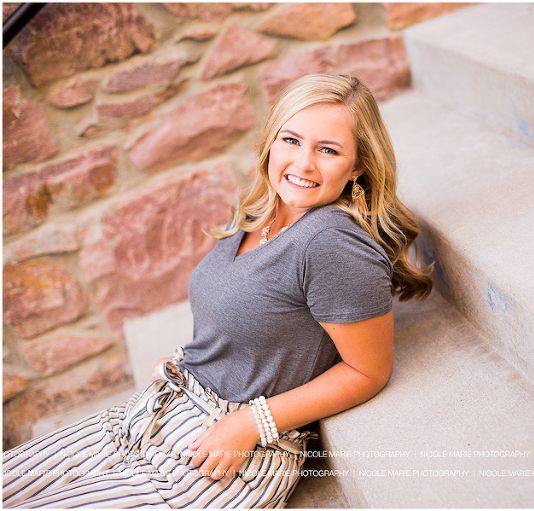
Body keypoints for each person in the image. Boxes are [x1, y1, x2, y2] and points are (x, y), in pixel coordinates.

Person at [2, 74, 432, 508]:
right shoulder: (261, 210)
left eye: (328, 150)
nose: (303, 163)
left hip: (226, 452)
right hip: (162, 408)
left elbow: (368, 371)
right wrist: (194, 362)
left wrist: (250, 424)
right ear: (272, 140)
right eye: (291, 140)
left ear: (357, 166)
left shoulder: (331, 242)